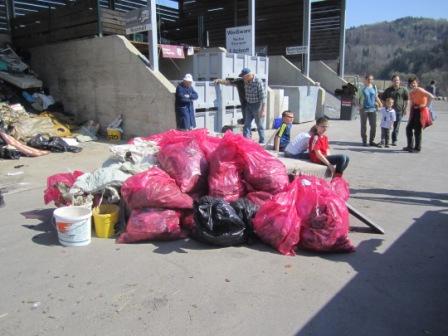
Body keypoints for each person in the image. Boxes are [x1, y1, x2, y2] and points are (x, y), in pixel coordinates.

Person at [403, 76, 434, 153]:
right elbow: (411, 105)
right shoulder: (411, 92)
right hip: (414, 111)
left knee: (417, 130)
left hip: (421, 111)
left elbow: (431, 96)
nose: (413, 85)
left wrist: (426, 106)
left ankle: (417, 148)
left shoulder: (420, 89)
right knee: (408, 128)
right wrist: (409, 117)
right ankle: (410, 146)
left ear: (417, 83)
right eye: (411, 84)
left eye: (414, 83)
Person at [240, 67, 267, 144]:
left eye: (243, 76)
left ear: (248, 75)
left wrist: (263, 110)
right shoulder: (245, 81)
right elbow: (232, 82)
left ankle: (262, 142)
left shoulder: (258, 82)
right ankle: (246, 141)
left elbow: (263, 97)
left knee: (259, 125)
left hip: (258, 105)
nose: (242, 78)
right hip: (249, 105)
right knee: (246, 124)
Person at [382, 74, 409, 146]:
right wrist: (385, 108)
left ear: (399, 81)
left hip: (399, 111)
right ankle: (384, 140)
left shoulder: (403, 90)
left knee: (396, 127)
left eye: (397, 80)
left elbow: (406, 100)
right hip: (389, 112)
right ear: (392, 81)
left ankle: (394, 140)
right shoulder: (388, 90)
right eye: (394, 80)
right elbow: (383, 99)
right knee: (386, 126)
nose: (396, 81)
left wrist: (405, 109)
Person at [357, 74, 382, 146]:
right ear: (365, 80)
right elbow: (356, 98)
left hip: (373, 109)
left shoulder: (374, 87)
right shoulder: (361, 88)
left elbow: (376, 96)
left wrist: (380, 103)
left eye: (371, 79)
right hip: (364, 109)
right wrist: (358, 105)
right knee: (363, 126)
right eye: (368, 79)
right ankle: (364, 141)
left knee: (374, 125)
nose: (370, 81)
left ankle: (371, 141)